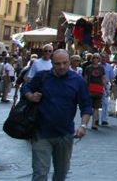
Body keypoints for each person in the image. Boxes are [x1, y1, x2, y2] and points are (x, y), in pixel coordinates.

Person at [22, 49, 92, 181]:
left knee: (61, 173)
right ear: (52, 63)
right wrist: (30, 96)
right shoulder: (42, 77)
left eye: (65, 63)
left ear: (69, 62)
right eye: (57, 63)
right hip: (41, 132)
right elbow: (26, 88)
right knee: (40, 173)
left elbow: (86, 105)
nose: (61, 67)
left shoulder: (77, 81)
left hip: (65, 134)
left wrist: (83, 125)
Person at [83, 53, 106, 129]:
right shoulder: (88, 68)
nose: (95, 59)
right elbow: (85, 79)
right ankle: (85, 124)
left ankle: (93, 124)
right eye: (94, 57)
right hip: (90, 89)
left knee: (96, 108)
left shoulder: (101, 68)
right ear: (92, 59)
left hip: (98, 90)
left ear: (99, 59)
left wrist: (105, 88)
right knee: (88, 107)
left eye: (97, 58)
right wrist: (84, 88)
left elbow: (103, 78)